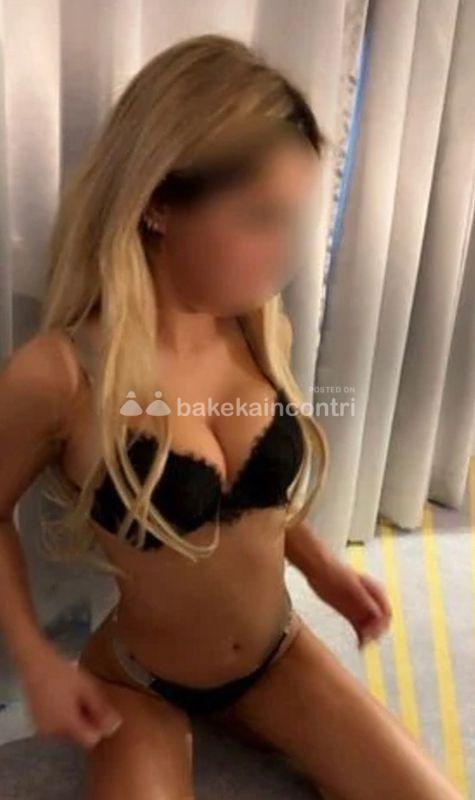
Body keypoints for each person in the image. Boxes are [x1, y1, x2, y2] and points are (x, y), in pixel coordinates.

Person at [0, 32, 463, 800]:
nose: (282, 253)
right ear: (157, 204)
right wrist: (37, 663)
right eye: (257, 218)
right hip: (139, 681)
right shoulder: (61, 372)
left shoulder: (258, 327)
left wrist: (320, 566)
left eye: (291, 219)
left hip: (277, 655)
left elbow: (253, 504)